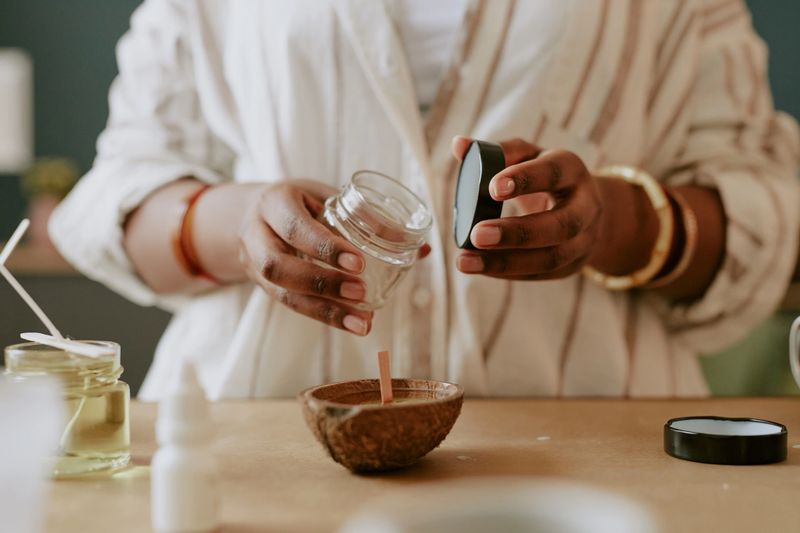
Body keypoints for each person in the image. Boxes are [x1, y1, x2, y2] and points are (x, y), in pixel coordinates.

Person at [50, 0, 800, 400]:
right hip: (264, 446)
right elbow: (117, 194)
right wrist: (238, 225)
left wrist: (615, 220)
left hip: (591, 451)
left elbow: (767, 209)